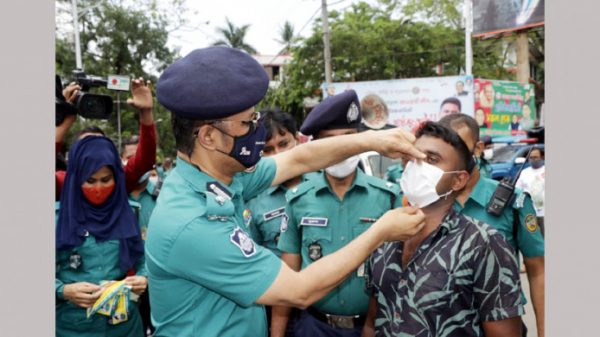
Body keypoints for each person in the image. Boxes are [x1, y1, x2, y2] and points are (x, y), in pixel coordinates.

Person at [145, 46, 427, 337]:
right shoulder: (193, 221)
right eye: (247, 123)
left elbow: (299, 158)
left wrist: (372, 140)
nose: (257, 130)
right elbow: (299, 290)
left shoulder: (222, 179)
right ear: (208, 136)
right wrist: (380, 231)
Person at [362, 121, 524, 337]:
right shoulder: (385, 235)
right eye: (413, 156)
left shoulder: (483, 243)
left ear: (458, 180)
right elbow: (372, 323)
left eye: (431, 159)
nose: (417, 164)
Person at [275, 90, 401, 337]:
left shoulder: (388, 197)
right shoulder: (299, 199)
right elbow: (286, 278)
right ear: (318, 147)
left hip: (373, 327)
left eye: (348, 138)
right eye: (332, 141)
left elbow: (399, 273)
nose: (342, 149)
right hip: (314, 327)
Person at [438, 114, 545, 337]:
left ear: (477, 148)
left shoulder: (513, 202)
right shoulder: (430, 203)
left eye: (460, 147)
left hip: (503, 325)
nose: (452, 158)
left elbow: (537, 271)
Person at [55, 136, 148, 337]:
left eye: (106, 180)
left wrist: (143, 277)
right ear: (76, 178)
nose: (98, 188)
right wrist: (63, 291)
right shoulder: (57, 219)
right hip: (73, 327)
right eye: (90, 180)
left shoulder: (128, 213)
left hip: (124, 325)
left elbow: (143, 260)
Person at [244, 108, 306, 336]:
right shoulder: (253, 199)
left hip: (320, 310)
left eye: (283, 144)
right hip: (276, 308)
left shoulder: (324, 184)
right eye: (267, 150)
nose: (277, 155)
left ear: (297, 141)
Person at [55, 78, 157, 195]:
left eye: (100, 146)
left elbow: (145, 160)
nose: (98, 187)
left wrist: (146, 112)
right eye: (86, 146)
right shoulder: (67, 182)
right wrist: (65, 120)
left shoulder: (119, 180)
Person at [516, 147, 545, 235]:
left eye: (536, 157)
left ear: (542, 157)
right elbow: (518, 191)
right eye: (531, 157)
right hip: (529, 214)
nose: (533, 160)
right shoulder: (524, 173)